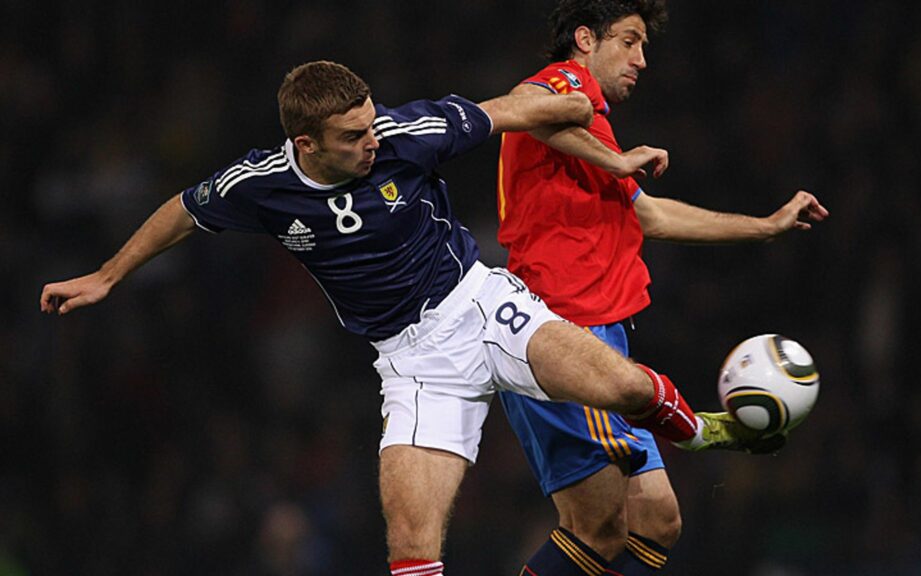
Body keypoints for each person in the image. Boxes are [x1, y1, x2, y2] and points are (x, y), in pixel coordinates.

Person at [38, 60, 756, 576]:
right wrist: (107, 276)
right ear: (306, 144)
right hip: (413, 362)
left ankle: (708, 431)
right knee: (412, 546)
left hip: (481, 306)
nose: (372, 139)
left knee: (626, 388)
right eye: (353, 135)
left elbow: (512, 109)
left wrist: (608, 153)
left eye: (370, 121)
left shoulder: (409, 130)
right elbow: (182, 211)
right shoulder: (261, 184)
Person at [496, 1, 830, 574]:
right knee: (598, 529)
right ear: (586, 40)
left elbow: (649, 215)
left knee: (656, 520)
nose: (641, 59)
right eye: (629, 41)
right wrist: (616, 161)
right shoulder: (564, 86)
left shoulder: (591, 130)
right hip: (566, 335)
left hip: (603, 338)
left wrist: (765, 226)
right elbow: (524, 106)